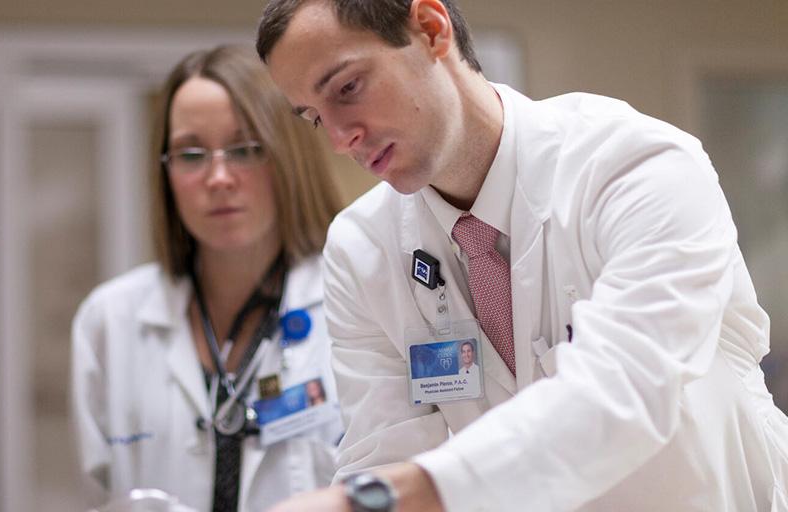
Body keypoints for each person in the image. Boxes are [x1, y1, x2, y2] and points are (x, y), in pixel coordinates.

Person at [255, 1, 788, 511]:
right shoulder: (360, 247)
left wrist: (395, 496)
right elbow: (384, 452)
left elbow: (627, 390)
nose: (341, 140)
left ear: (431, 29)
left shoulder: (634, 165)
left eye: (347, 88)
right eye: (314, 118)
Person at [71, 44, 344, 512]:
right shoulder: (110, 320)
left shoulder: (352, 302)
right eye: (191, 154)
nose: (218, 177)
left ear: (288, 157)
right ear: (166, 172)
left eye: (246, 149)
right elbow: (102, 495)